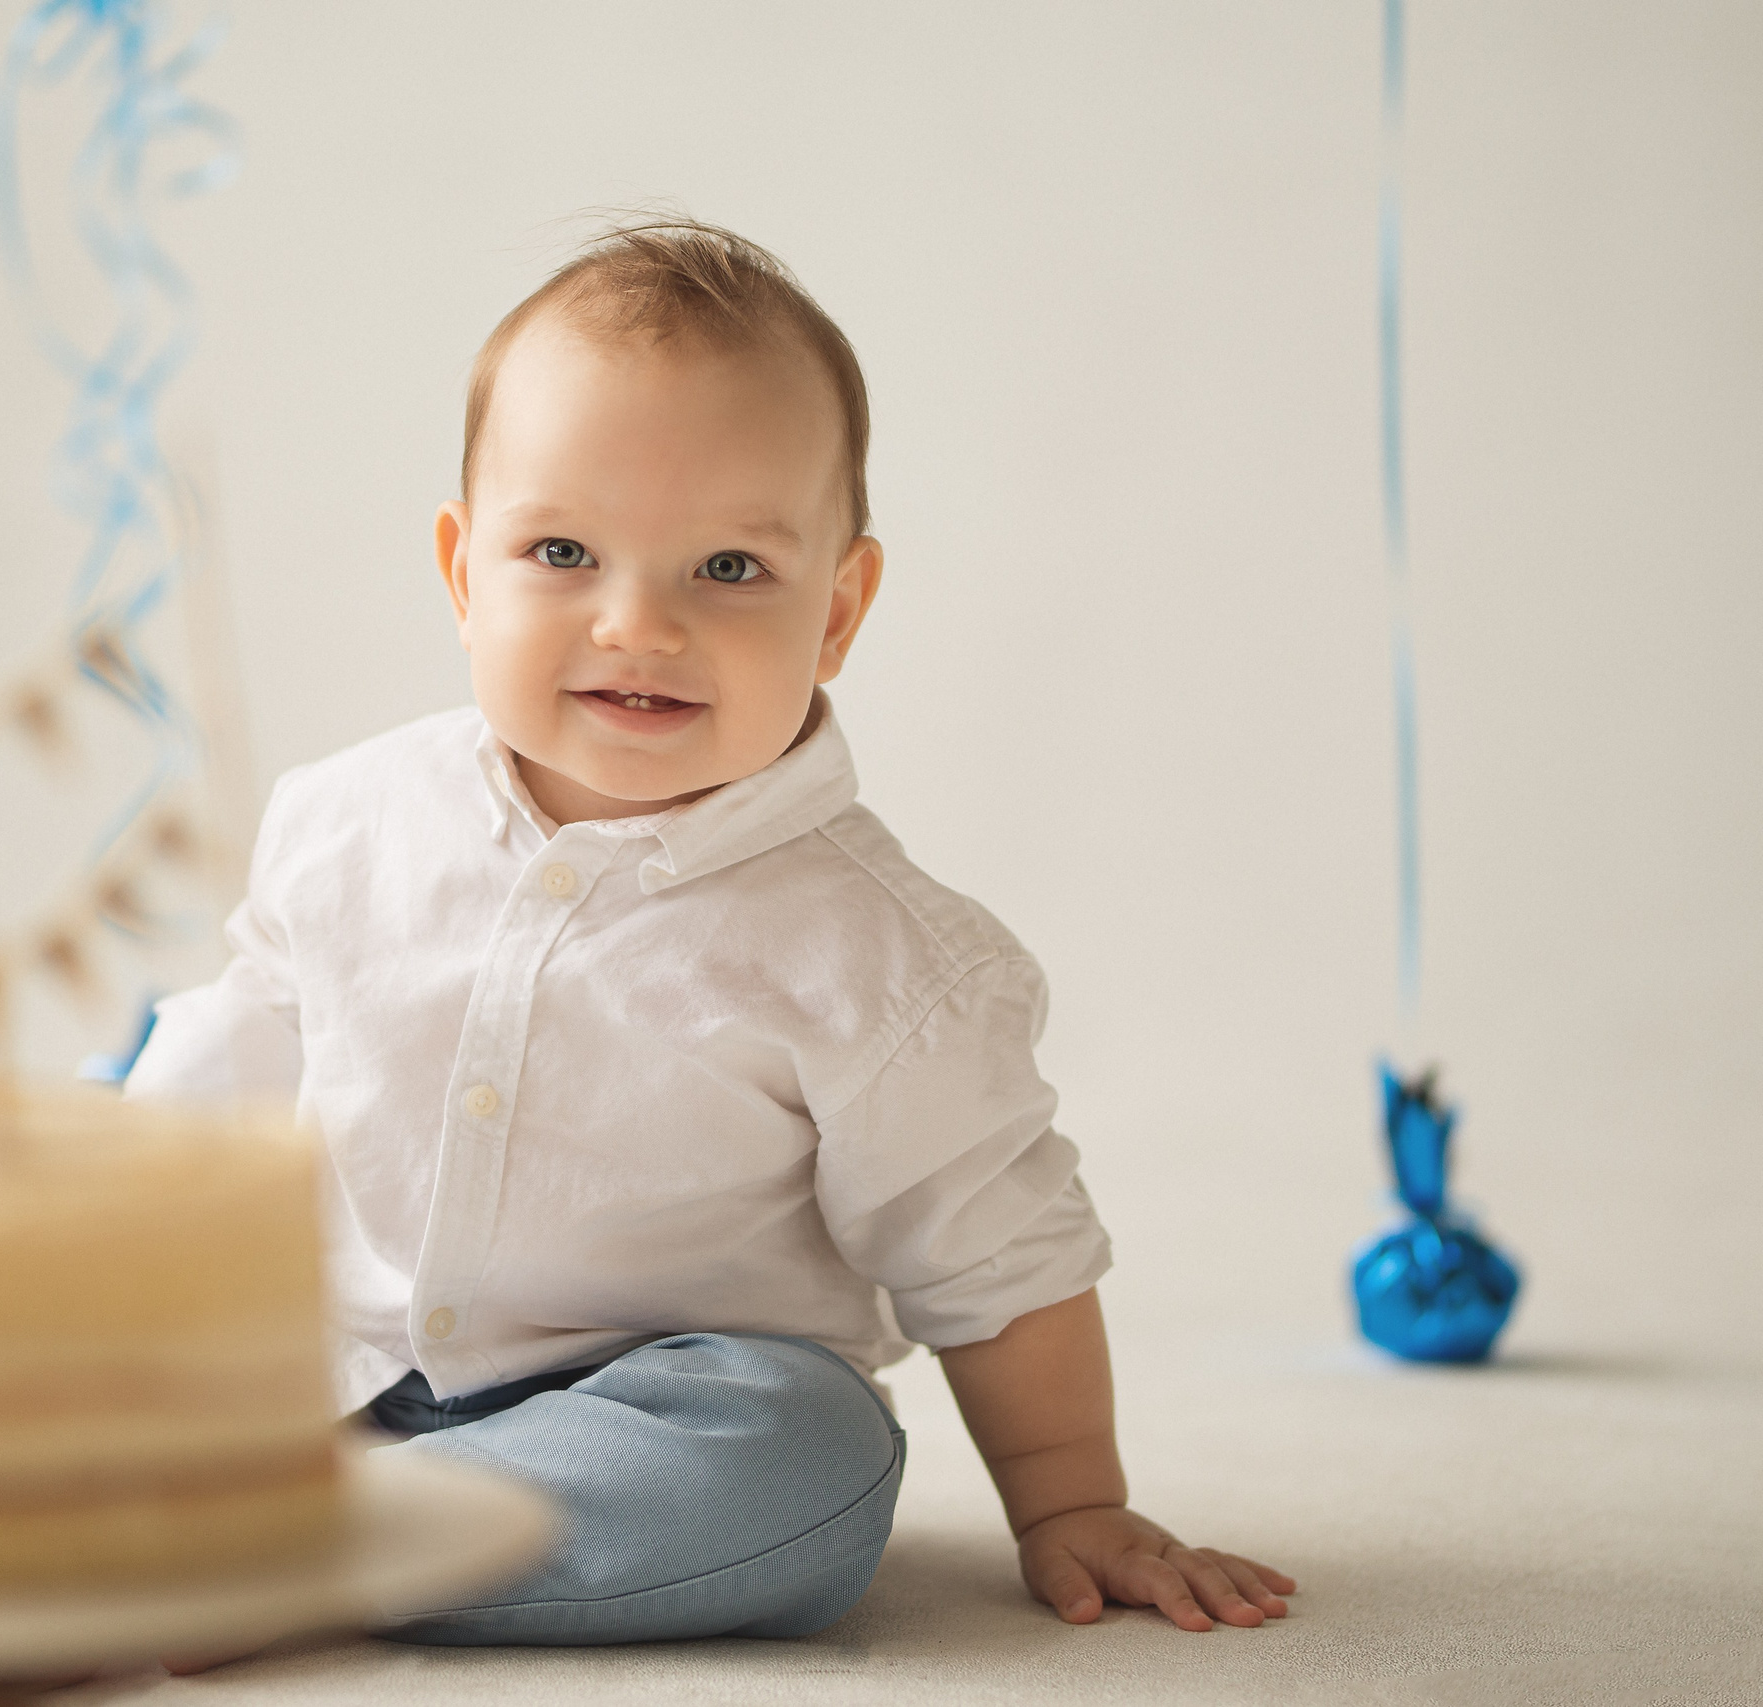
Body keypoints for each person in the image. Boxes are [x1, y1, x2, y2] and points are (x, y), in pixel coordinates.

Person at [125, 218, 1294, 1645]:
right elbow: (235, 1065)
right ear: (460, 574)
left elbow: (1000, 1250)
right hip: (322, 1363)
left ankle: (298, 1542)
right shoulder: (351, 821)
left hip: (643, 1416)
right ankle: (166, 1486)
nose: (637, 623)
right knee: (109, 1129)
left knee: (815, 1454)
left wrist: (1072, 1501)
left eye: (728, 570)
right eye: (562, 551)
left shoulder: (877, 960)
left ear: (841, 609)